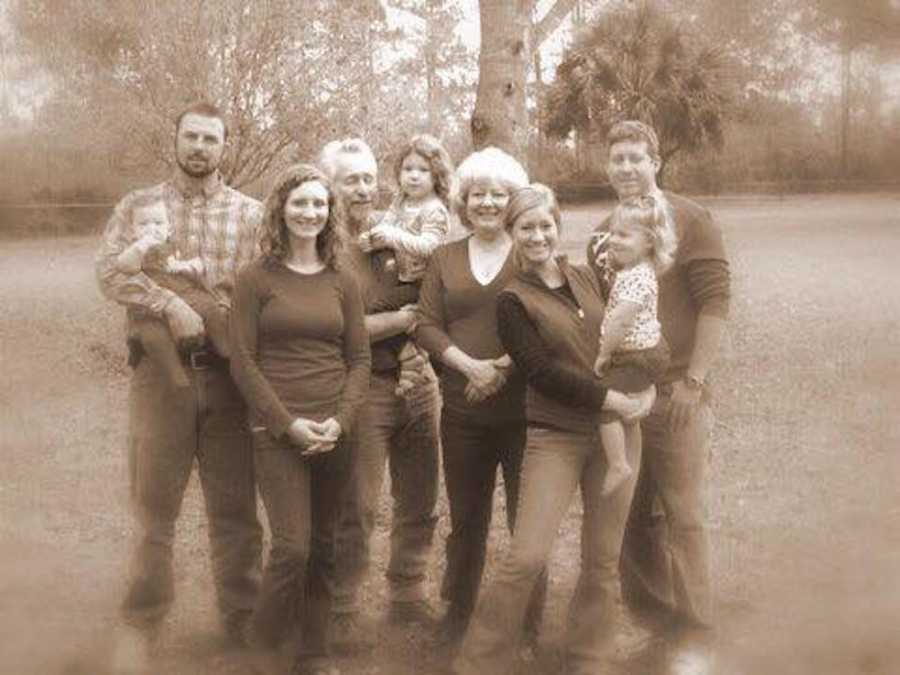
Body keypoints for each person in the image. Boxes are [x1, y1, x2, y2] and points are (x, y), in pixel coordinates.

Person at [453, 184, 656, 675]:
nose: (538, 235)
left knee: (602, 558)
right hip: (556, 436)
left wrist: (647, 389)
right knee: (526, 556)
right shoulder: (512, 301)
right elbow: (541, 370)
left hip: (619, 433)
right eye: (527, 227)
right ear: (513, 232)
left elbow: (634, 334)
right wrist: (609, 398)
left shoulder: (589, 276)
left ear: (558, 227)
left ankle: (589, 657)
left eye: (546, 225)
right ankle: (478, 662)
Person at [95, 101, 263, 671]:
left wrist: (221, 310)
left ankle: (243, 621)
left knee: (236, 509)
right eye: (190, 136)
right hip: (159, 381)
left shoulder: (251, 215)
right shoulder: (137, 206)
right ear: (176, 140)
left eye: (210, 139)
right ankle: (141, 621)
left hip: (227, 380)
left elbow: (264, 290)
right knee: (153, 507)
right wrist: (167, 303)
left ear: (225, 146)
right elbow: (109, 272)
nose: (199, 147)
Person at [586, 120, 731, 675]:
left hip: (676, 393)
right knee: (631, 517)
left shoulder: (692, 219)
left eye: (636, 158)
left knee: (684, 514)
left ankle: (697, 633)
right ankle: (655, 621)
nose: (626, 168)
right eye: (617, 158)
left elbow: (715, 302)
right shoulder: (605, 231)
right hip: (624, 395)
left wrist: (694, 381)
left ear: (656, 162)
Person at [230, 163, 370, 675]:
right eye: (299, 203)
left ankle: (313, 652)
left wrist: (342, 421)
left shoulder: (344, 280)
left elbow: (360, 359)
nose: (309, 212)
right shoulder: (255, 278)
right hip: (277, 431)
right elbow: (242, 361)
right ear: (280, 210)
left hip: (336, 431)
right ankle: (261, 650)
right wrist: (287, 424)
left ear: (330, 213)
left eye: (318, 204)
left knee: (326, 545)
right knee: (292, 546)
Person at [415, 147, 545, 655]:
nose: (488, 203)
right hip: (463, 413)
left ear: (513, 201)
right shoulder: (444, 257)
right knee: (467, 522)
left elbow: (551, 324)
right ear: (462, 202)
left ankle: (528, 628)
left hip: (526, 415)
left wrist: (504, 368)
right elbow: (426, 324)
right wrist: (470, 367)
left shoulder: (530, 251)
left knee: (525, 523)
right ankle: (457, 614)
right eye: (478, 195)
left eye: (499, 194)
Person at [320, 138, 442, 652]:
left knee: (419, 497)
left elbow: (437, 296)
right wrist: (401, 321)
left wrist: (419, 337)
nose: (364, 188)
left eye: (370, 177)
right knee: (358, 504)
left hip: (418, 382)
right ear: (330, 185)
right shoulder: (321, 246)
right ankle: (342, 606)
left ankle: (408, 591)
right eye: (351, 179)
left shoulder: (398, 234)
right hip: (363, 388)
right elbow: (333, 328)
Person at [359, 133, 453, 399]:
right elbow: (385, 225)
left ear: (437, 175)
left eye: (423, 170)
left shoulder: (435, 209)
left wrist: (392, 237)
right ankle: (407, 355)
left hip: (422, 282)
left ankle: (415, 354)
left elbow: (430, 247)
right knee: (382, 310)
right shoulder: (400, 201)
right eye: (407, 169)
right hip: (400, 277)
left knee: (374, 308)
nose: (414, 176)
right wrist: (374, 239)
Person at [591, 195, 674, 496]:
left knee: (604, 403)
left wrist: (603, 353)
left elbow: (620, 322)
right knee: (624, 394)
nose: (614, 240)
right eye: (613, 232)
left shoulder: (635, 279)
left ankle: (618, 463)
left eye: (624, 235)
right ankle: (638, 397)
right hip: (650, 348)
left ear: (650, 242)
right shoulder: (638, 271)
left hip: (637, 355)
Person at [114, 196, 231, 389]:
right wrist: (141, 246)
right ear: (133, 231)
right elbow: (123, 266)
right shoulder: (134, 251)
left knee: (211, 309)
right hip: (151, 307)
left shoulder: (175, 245)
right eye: (144, 224)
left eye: (158, 223)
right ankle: (176, 376)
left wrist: (184, 265)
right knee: (153, 336)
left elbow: (200, 264)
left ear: (169, 228)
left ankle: (227, 352)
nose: (152, 228)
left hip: (187, 293)